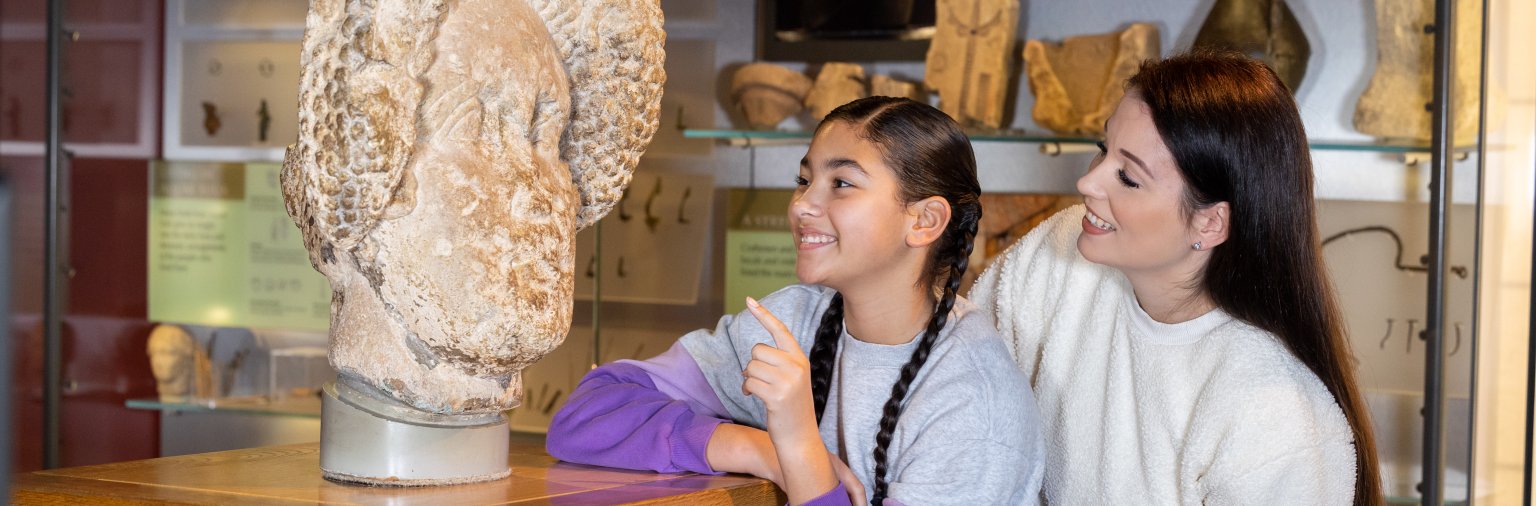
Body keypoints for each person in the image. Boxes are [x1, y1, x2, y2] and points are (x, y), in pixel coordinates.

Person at [548, 96, 1043, 505]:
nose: (803, 205)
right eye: (804, 180)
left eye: (842, 184)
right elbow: (584, 418)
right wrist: (761, 449)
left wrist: (801, 445)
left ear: (924, 221)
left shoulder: (975, 404)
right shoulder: (792, 319)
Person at [969, 49, 1382, 504]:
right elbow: (956, 379)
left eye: (1127, 177)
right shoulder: (1059, 253)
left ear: (1210, 224)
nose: (1088, 184)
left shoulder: (1277, 419)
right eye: (1102, 151)